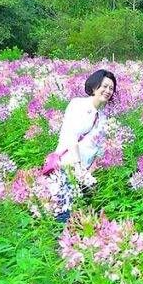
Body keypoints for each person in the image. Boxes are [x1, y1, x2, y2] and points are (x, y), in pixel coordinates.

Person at [52, 69, 115, 222]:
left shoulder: (103, 117)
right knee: (64, 214)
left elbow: (99, 150)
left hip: (85, 174)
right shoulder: (77, 104)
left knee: (80, 213)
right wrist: (79, 168)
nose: (108, 91)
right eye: (104, 86)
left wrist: (89, 173)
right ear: (94, 87)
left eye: (111, 89)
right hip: (67, 168)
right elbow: (71, 137)